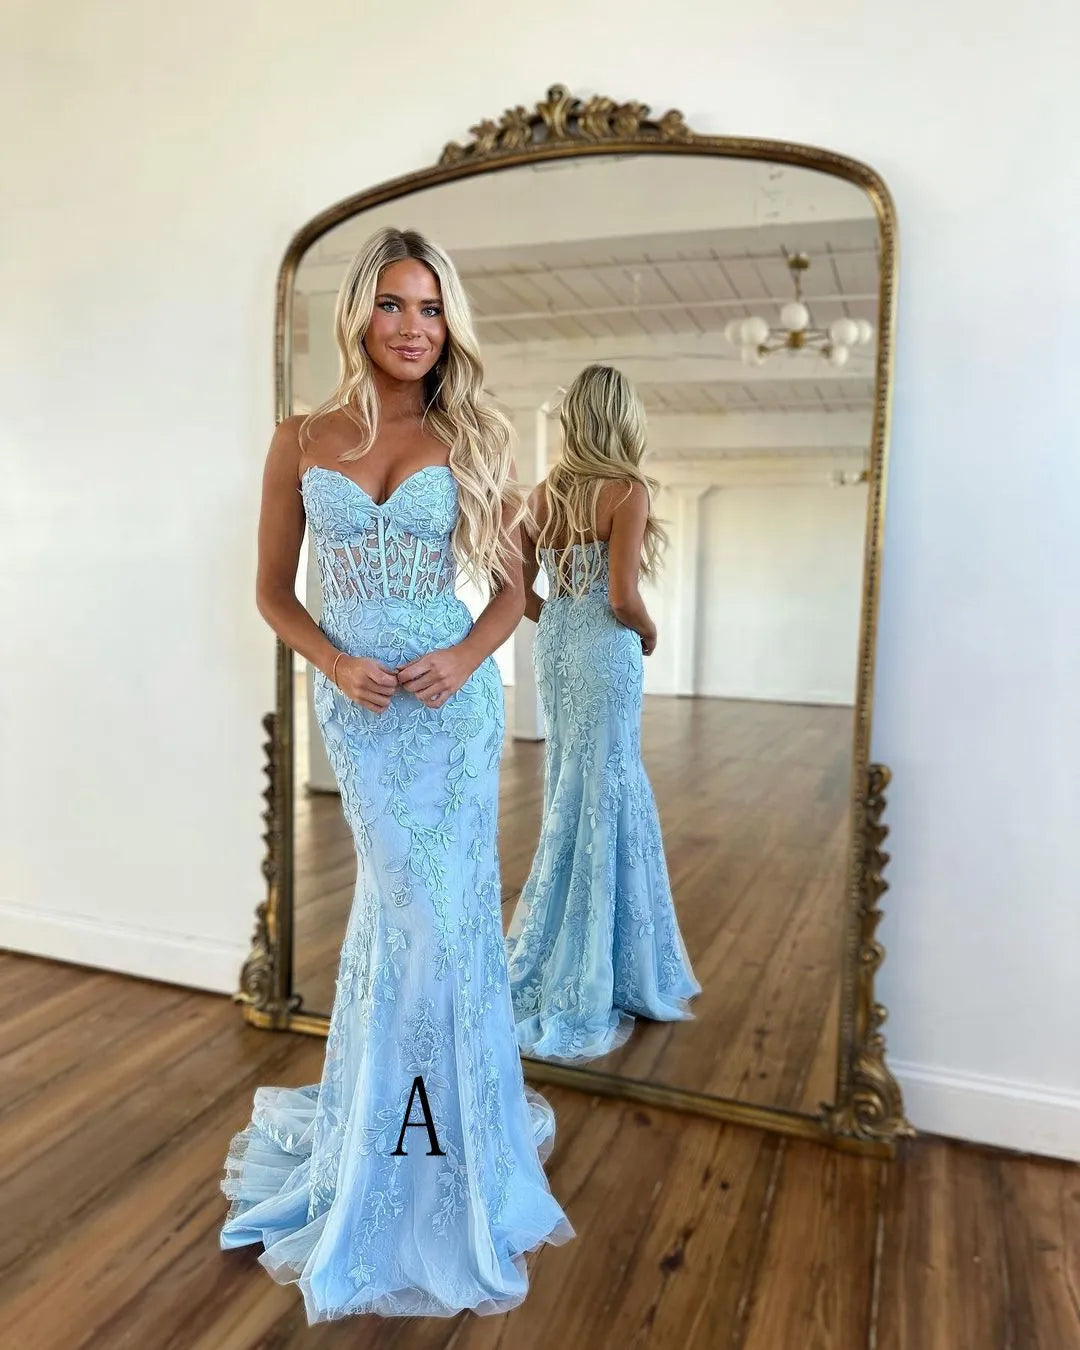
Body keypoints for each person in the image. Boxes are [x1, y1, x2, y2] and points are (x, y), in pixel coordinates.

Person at [219, 227, 573, 1321]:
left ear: (447, 323)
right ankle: (388, 1143)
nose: (413, 327)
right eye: (392, 305)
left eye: (429, 308)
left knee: (445, 917)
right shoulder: (300, 439)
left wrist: (465, 659)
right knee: (400, 911)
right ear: (358, 316)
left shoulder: (470, 437)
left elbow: (515, 592)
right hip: (361, 710)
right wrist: (333, 661)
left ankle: (444, 1146)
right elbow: (273, 591)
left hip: (449, 706)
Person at [505, 364, 701, 1062]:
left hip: (557, 644)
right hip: (604, 647)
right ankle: (611, 964)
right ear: (623, 418)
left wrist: (559, 616)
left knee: (570, 781)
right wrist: (648, 633)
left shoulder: (543, 494)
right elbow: (622, 597)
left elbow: (515, 588)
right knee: (609, 783)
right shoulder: (627, 490)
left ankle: (563, 944)